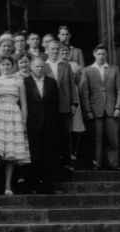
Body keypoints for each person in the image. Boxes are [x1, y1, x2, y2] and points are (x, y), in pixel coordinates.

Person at [0, 55, 31, 195]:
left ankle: (8, 186)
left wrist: (24, 121)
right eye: (2, 65)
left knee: (11, 152)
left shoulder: (19, 82)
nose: (5, 67)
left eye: (8, 64)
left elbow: (24, 104)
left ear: (13, 66)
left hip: (14, 116)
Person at [80, 44, 120, 171]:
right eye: (99, 54)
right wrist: (87, 110)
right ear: (94, 54)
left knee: (112, 137)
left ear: (107, 55)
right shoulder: (87, 70)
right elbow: (85, 92)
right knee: (97, 138)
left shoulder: (114, 69)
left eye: (103, 54)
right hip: (95, 109)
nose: (101, 56)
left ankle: (113, 163)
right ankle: (96, 163)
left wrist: (118, 107)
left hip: (111, 109)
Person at [24, 57, 60, 193]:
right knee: (35, 156)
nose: (40, 69)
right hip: (33, 123)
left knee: (49, 155)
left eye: (42, 66)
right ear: (31, 68)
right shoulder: (25, 82)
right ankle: (34, 186)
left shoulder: (52, 82)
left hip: (49, 123)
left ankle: (48, 186)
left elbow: (56, 103)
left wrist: (54, 120)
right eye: (37, 66)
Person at [45, 41, 78, 173]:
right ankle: (52, 164)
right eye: (52, 49)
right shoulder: (44, 66)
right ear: (47, 50)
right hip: (49, 107)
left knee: (65, 136)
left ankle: (66, 163)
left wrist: (74, 103)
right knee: (51, 136)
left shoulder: (66, 66)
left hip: (64, 105)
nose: (55, 51)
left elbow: (72, 86)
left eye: (57, 49)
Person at [60, 42, 86, 159]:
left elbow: (79, 83)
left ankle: (73, 152)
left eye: (66, 51)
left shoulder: (74, 65)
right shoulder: (57, 64)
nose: (64, 53)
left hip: (73, 95)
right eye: (62, 50)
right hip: (61, 97)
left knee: (74, 125)